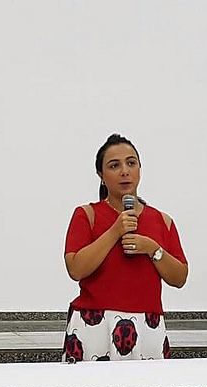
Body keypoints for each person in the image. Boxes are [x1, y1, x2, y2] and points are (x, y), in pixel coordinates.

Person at [62, 134, 188, 362]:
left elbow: (179, 278)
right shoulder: (86, 215)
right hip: (94, 323)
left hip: (148, 325)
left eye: (131, 163)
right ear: (101, 175)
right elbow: (76, 269)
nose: (124, 171)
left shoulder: (162, 220)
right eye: (114, 166)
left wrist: (152, 248)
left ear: (140, 169)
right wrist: (115, 231)